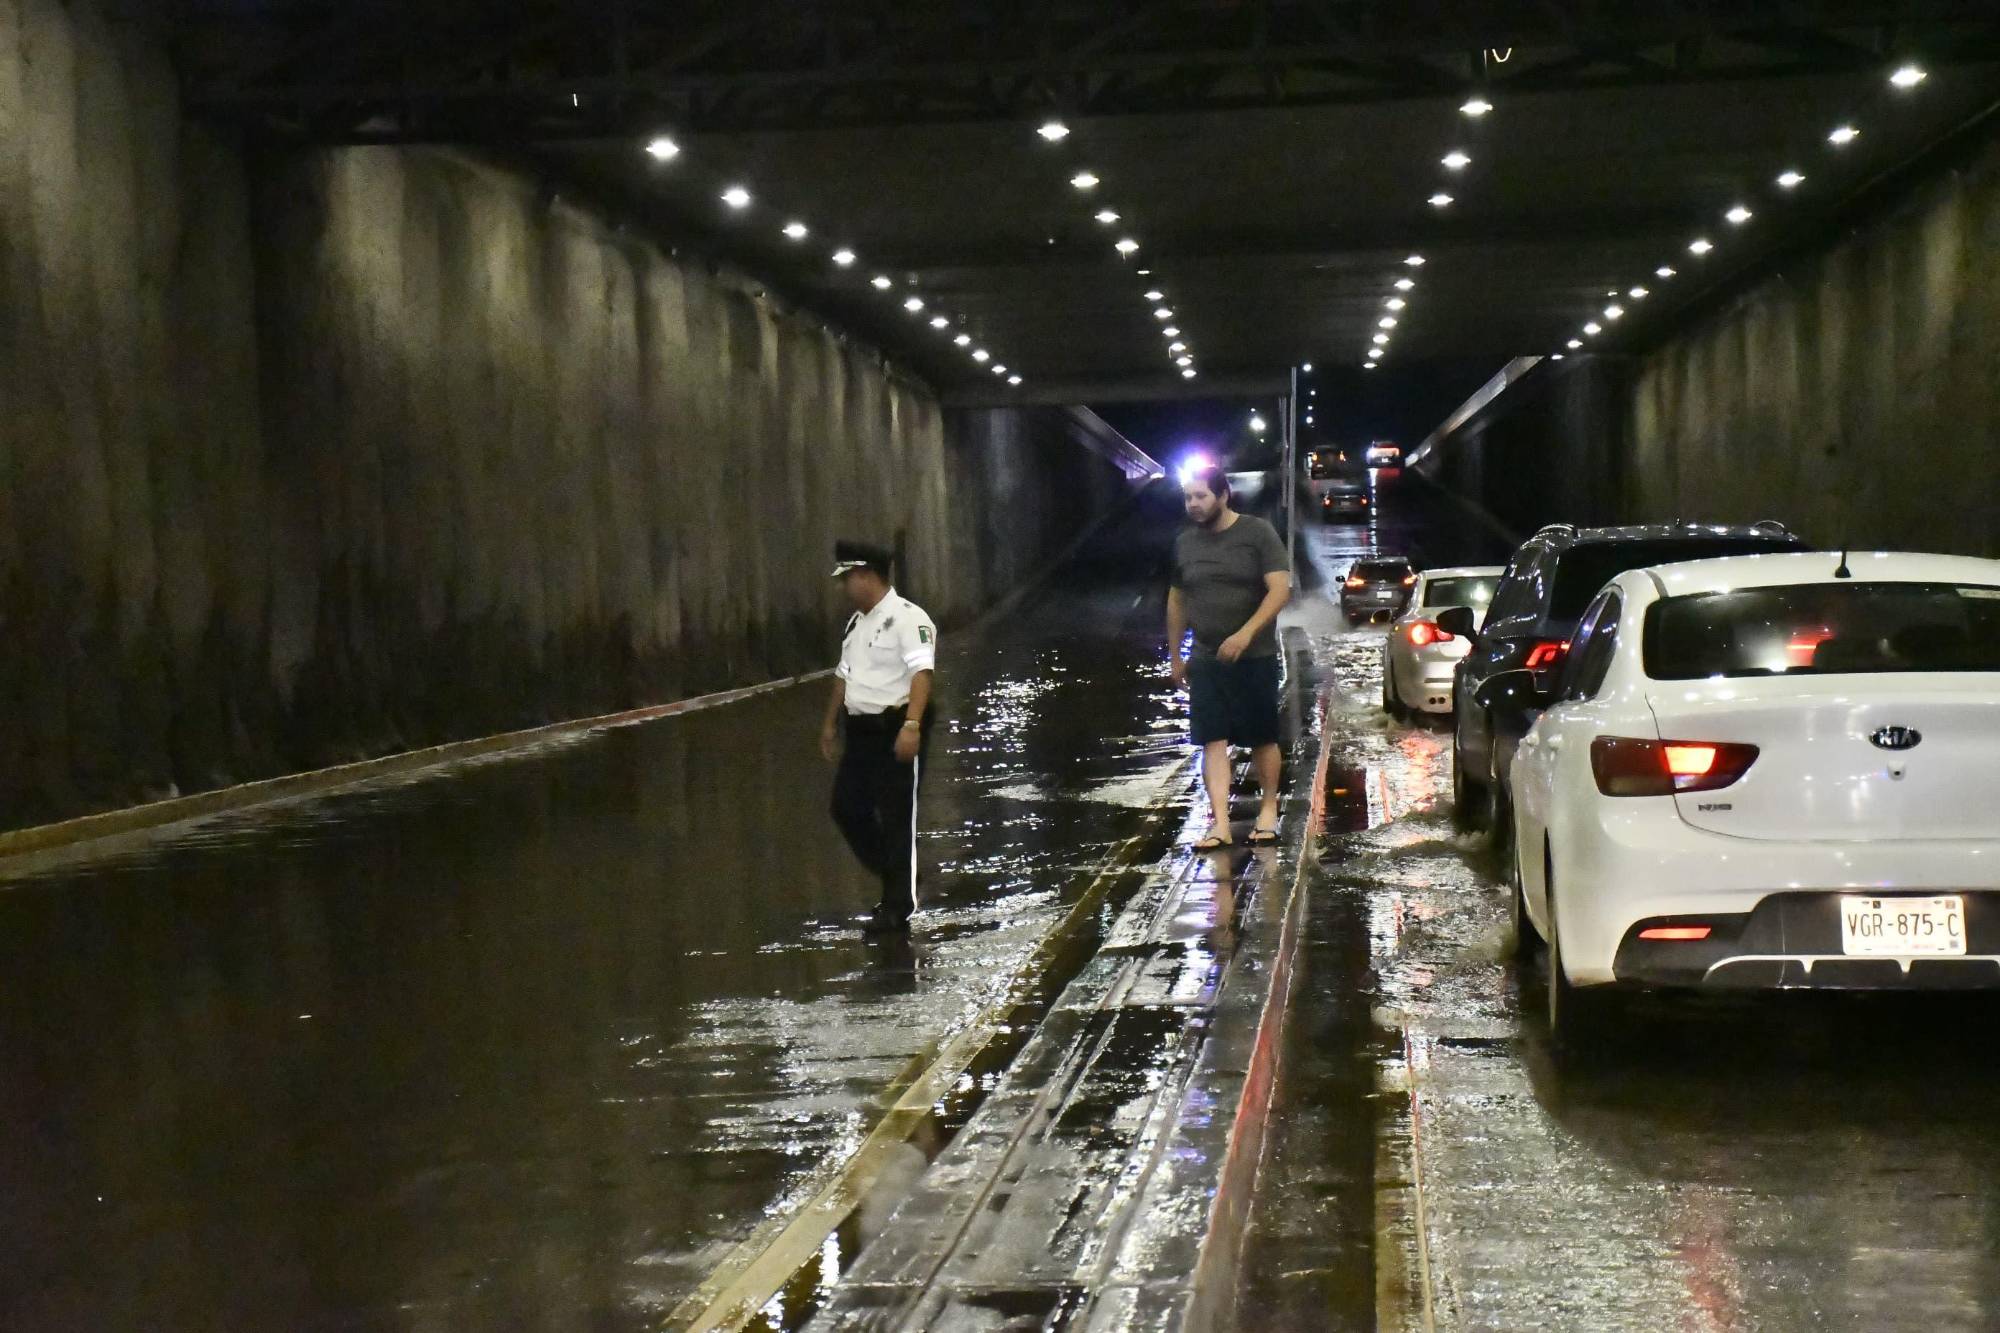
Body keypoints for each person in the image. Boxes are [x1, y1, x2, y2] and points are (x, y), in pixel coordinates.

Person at [1166, 466, 1291, 849]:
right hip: (1205, 657)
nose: (1193, 504)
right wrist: (1176, 655)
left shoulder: (1257, 534)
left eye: (1201, 496)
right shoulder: (1185, 543)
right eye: (1188, 497)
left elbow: (1280, 589)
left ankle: (1268, 811)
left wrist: (1245, 633)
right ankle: (1219, 823)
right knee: (1211, 740)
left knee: (1262, 736)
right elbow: (1177, 600)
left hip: (1254, 656)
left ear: (1223, 495)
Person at [820, 540, 937, 932]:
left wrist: (912, 726)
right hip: (861, 731)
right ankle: (897, 873)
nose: (843, 587)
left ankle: (897, 906)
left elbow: (922, 674)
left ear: (867, 576)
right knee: (846, 807)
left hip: (895, 727)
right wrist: (830, 723)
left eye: (848, 578)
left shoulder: (909, 619)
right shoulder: (856, 623)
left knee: (896, 815)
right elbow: (843, 675)